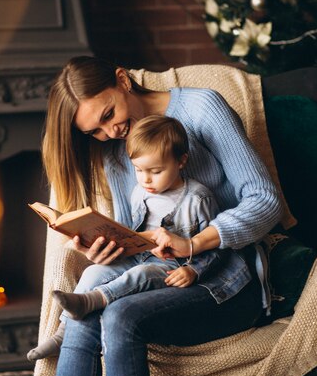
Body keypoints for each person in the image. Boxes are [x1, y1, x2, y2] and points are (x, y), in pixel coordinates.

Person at [40, 56, 283, 376]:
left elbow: (265, 201)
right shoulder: (116, 150)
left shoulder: (202, 108)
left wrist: (195, 243)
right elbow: (137, 236)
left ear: (123, 81)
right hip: (158, 273)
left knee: (120, 316)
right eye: (94, 131)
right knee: (89, 300)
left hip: (223, 275)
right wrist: (106, 248)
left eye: (108, 115)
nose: (109, 131)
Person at [28, 115, 227, 361]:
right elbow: (134, 231)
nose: (146, 179)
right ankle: (61, 334)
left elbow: (218, 247)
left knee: (139, 275)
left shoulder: (199, 199)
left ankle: (93, 300)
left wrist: (194, 271)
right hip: (139, 255)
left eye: (156, 171)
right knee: (94, 272)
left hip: (171, 267)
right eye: (139, 170)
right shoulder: (139, 193)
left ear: (181, 161)